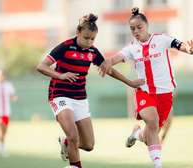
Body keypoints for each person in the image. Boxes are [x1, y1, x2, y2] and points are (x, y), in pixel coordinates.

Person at [36, 14, 144, 168]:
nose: (89, 42)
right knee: (73, 135)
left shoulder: (92, 51)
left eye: (93, 39)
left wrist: (130, 82)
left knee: (88, 145)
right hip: (60, 95)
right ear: (78, 32)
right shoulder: (65, 46)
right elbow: (41, 66)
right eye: (86, 38)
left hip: (80, 98)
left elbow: (109, 70)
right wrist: (61, 75)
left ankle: (66, 142)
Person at [102, 7, 193, 168]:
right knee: (152, 122)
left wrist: (189, 49)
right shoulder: (132, 48)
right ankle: (158, 165)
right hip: (144, 91)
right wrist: (106, 62)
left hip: (165, 93)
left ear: (147, 26)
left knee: (149, 136)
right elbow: (116, 58)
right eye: (132, 29)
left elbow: (180, 45)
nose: (136, 31)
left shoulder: (161, 39)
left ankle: (136, 134)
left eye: (139, 27)